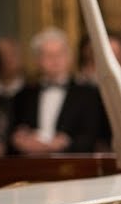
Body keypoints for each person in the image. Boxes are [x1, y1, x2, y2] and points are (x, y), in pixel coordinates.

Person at [10, 27, 104, 155]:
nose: (55, 60)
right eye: (48, 55)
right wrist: (21, 140)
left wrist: (65, 142)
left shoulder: (88, 94)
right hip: (30, 164)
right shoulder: (23, 95)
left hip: (74, 165)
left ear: (69, 57)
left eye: (60, 53)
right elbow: (15, 132)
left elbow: (92, 136)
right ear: (37, 60)